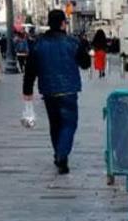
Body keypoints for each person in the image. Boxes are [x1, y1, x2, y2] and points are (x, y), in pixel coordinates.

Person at [23, 10, 90, 175]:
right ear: (62, 23)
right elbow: (86, 63)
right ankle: (62, 154)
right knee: (69, 124)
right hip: (68, 91)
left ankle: (60, 156)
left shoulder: (38, 44)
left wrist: (27, 90)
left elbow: (30, 69)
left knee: (55, 125)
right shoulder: (73, 42)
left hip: (48, 91)